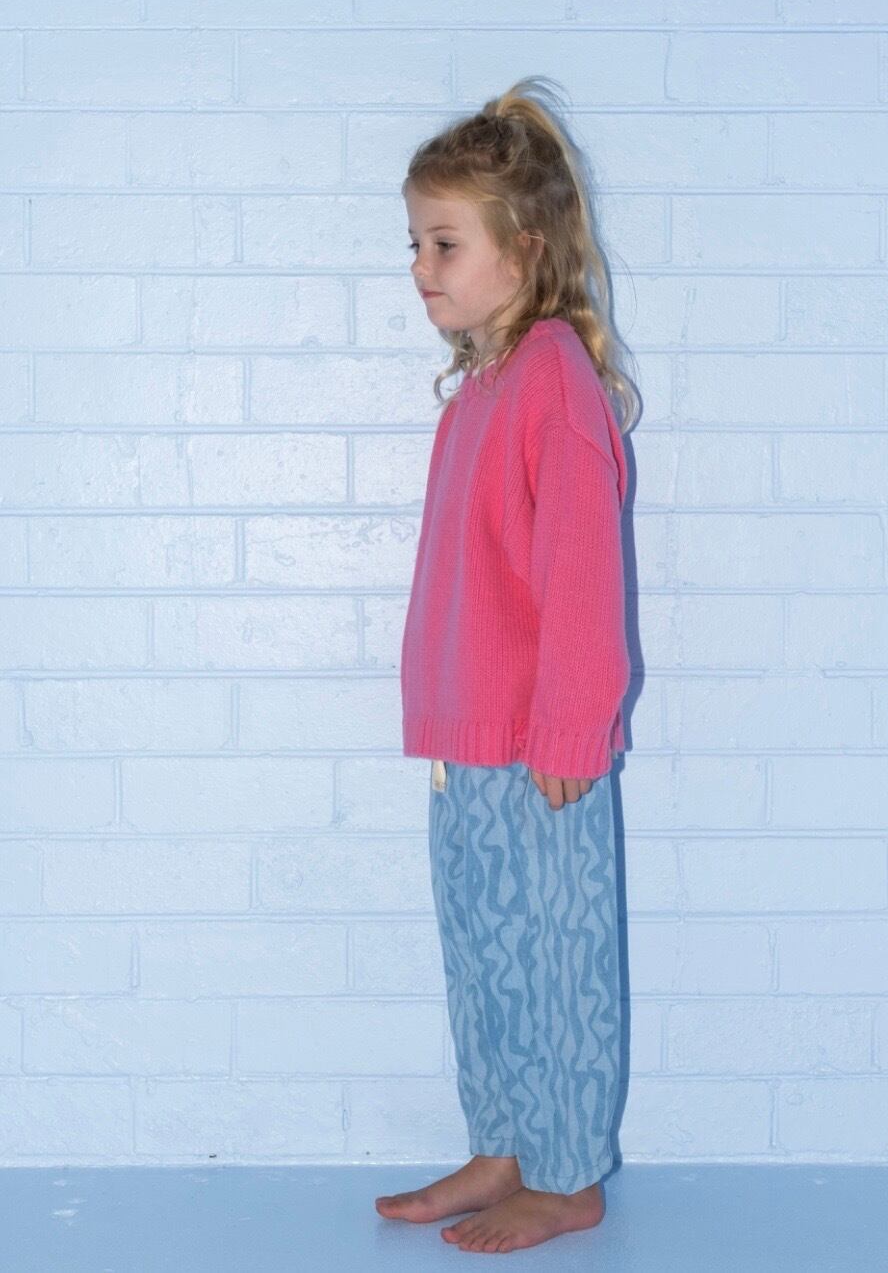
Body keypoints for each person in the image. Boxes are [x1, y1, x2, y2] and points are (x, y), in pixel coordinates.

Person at [374, 76, 639, 1255]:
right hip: (466, 743)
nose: (420, 266)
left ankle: (565, 1172)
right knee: (484, 955)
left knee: (558, 959)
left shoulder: (552, 380)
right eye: (414, 243)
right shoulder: (474, 395)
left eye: (444, 242)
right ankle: (503, 1143)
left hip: (541, 749)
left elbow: (581, 571)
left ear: (522, 250)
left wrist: (574, 726)